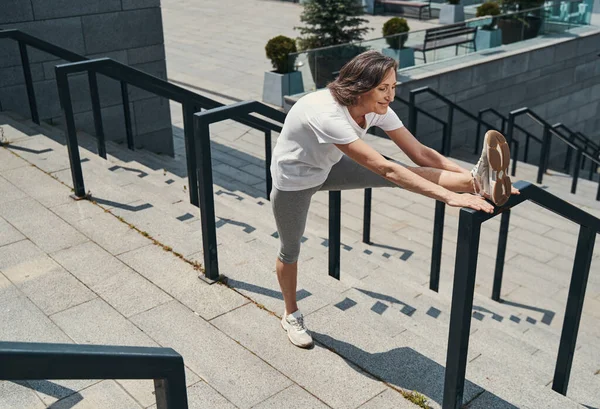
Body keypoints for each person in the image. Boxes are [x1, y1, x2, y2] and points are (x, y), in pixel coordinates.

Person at [270, 50, 516, 348]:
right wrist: (449, 198)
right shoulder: (327, 114)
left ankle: (479, 181)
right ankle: (290, 314)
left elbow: (420, 154)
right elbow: (387, 169)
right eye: (383, 88)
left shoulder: (377, 107)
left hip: (329, 166)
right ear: (361, 87)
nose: (390, 96)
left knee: (411, 171)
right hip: (294, 180)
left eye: (394, 87)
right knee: (290, 249)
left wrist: (462, 179)